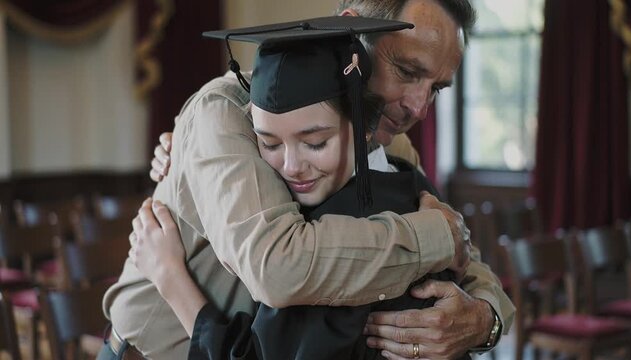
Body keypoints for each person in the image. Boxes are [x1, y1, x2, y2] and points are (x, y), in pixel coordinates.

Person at [101, 1, 514, 359]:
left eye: (436, 89)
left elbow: (461, 248)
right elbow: (277, 268)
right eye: (407, 71)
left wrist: (483, 319)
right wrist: (434, 239)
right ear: (355, 32)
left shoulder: (389, 146)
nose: (420, 107)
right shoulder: (227, 112)